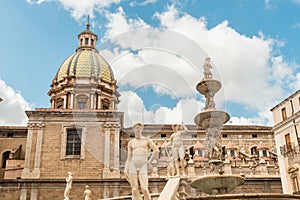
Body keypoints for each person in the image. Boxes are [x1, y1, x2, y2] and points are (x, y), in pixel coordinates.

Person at [124, 122, 159, 200]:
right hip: (132, 165)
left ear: (142, 129)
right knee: (134, 189)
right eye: (136, 128)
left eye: (140, 128)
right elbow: (129, 158)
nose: (138, 130)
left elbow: (156, 150)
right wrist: (125, 169)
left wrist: (149, 162)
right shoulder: (131, 142)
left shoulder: (147, 140)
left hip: (143, 165)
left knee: (145, 189)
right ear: (133, 129)